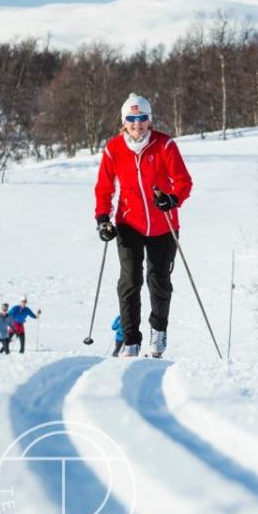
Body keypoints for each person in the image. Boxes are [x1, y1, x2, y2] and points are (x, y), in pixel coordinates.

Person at [94, 93, 193, 358]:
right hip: (129, 223)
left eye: (142, 118)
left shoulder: (165, 145)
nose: (137, 124)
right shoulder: (114, 149)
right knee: (129, 280)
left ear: (149, 120)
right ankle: (130, 340)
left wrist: (172, 199)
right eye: (131, 119)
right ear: (123, 121)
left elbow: (183, 181)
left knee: (159, 280)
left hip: (163, 224)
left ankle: (158, 332)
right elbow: (104, 188)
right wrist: (103, 219)